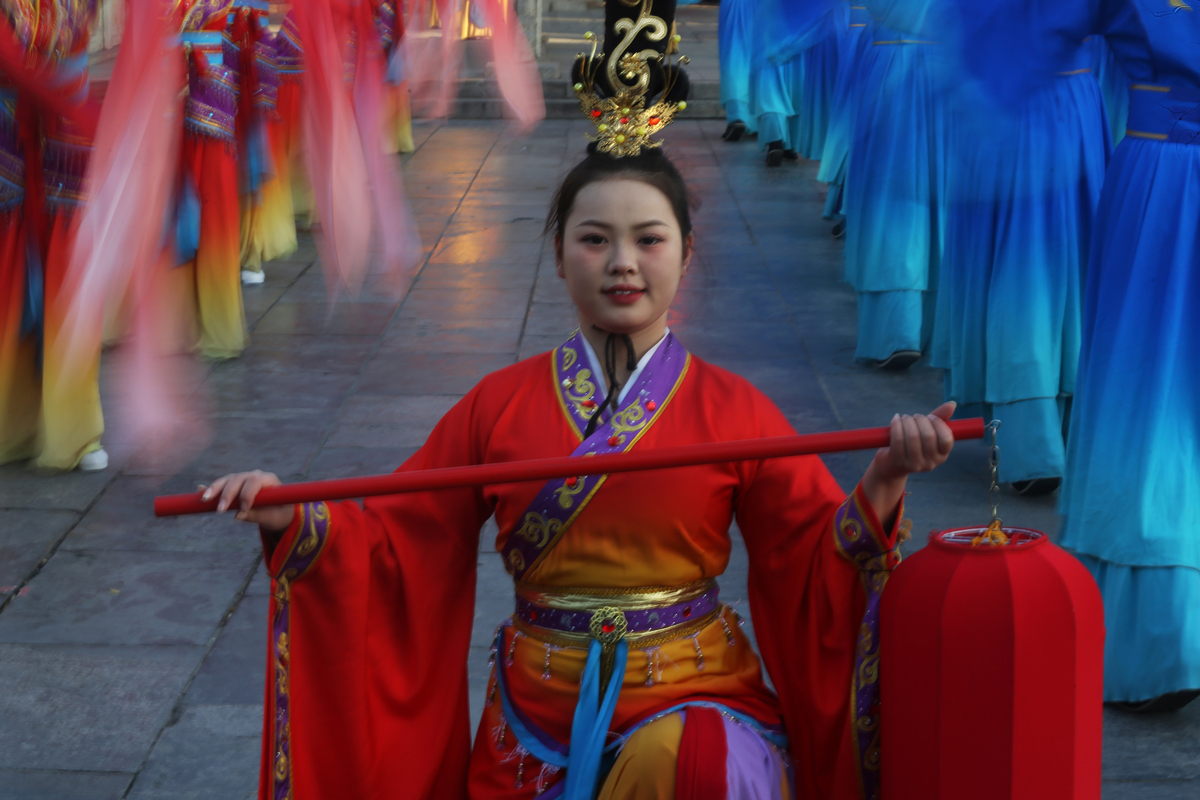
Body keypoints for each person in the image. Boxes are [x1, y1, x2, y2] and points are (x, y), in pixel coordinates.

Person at [203, 146, 960, 798]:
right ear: (559, 253)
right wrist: (295, 516)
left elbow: (818, 552)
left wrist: (886, 477)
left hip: (694, 694)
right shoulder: (495, 407)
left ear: (687, 253)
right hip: (537, 709)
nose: (623, 262)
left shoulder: (737, 409)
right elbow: (398, 534)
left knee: (691, 764)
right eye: (595, 239)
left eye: (649, 239)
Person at [0, 0, 106, 471]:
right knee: (8, 277)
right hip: (11, 132)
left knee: (70, 278)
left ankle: (74, 428)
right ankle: (12, 422)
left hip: (65, 138)